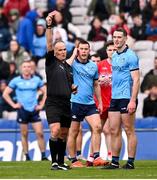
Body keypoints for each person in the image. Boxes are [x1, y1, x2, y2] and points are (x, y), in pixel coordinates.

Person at [67, 39, 109, 168]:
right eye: (81, 49)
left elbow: (96, 84)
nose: (84, 51)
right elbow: (65, 67)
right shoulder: (72, 63)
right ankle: (74, 160)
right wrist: (73, 54)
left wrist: (100, 102)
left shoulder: (93, 66)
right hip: (75, 102)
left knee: (97, 127)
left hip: (90, 103)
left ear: (89, 51)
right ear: (78, 50)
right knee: (74, 132)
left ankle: (96, 157)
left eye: (86, 49)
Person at [102, 28, 140, 170]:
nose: (116, 39)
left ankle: (130, 162)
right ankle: (115, 162)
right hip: (115, 97)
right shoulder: (115, 56)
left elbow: (136, 80)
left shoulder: (131, 56)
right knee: (113, 130)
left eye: (119, 37)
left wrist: (132, 100)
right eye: (114, 37)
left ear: (125, 38)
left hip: (126, 97)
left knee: (129, 129)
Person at [45, 10, 77, 171]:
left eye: (64, 49)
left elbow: (69, 85)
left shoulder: (68, 68)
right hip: (53, 103)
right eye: (60, 50)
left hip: (66, 103)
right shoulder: (51, 61)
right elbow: (49, 43)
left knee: (64, 134)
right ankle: (54, 163)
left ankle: (61, 161)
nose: (63, 51)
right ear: (55, 52)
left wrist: (73, 88)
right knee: (55, 130)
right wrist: (49, 25)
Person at [2, 60, 47, 161]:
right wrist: (14, 105)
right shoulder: (16, 80)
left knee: (40, 133)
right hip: (22, 110)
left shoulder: (36, 80)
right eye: (24, 67)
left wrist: (41, 104)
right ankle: (27, 156)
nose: (26, 68)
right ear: (21, 69)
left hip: (34, 110)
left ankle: (43, 156)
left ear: (31, 69)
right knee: (24, 134)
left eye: (28, 67)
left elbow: (46, 92)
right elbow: (5, 94)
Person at [87, 40, 115, 166]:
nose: (112, 52)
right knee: (96, 129)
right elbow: (92, 80)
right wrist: (100, 80)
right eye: (109, 50)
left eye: (114, 50)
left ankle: (111, 156)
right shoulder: (100, 65)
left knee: (113, 130)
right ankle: (91, 157)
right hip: (101, 102)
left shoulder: (121, 65)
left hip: (115, 102)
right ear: (106, 51)